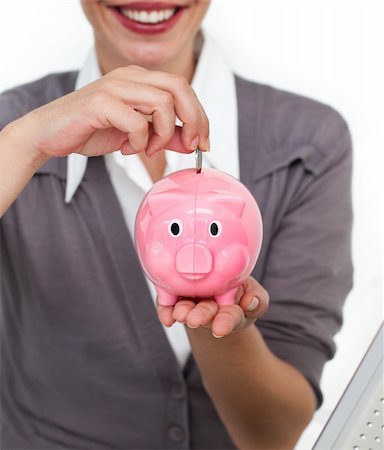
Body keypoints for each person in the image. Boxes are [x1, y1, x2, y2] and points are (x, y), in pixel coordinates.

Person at [0, 1, 353, 449]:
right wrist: (25, 144)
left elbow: (273, 436)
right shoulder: (12, 133)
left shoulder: (309, 146)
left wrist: (219, 326)